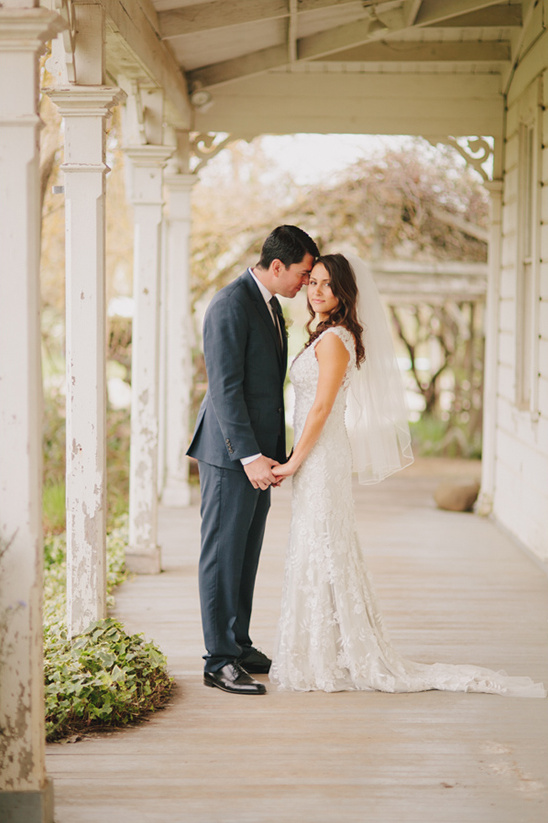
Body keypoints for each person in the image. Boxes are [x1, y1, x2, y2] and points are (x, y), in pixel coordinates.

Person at [270, 253, 545, 698]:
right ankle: (319, 650)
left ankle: (328, 655)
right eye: (313, 282)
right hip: (315, 455)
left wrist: (293, 460)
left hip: (320, 457)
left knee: (322, 544)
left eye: (326, 284)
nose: (316, 291)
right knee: (317, 544)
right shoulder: (322, 334)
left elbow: (320, 409)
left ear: (343, 294)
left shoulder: (335, 339)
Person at [187, 225, 319, 695]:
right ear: (277, 265)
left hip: (260, 457)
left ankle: (238, 645)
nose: (306, 283)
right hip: (231, 457)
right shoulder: (230, 303)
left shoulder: (270, 307)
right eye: (303, 274)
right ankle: (218, 660)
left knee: (245, 555)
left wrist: (272, 456)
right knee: (223, 555)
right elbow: (224, 390)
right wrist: (249, 457)